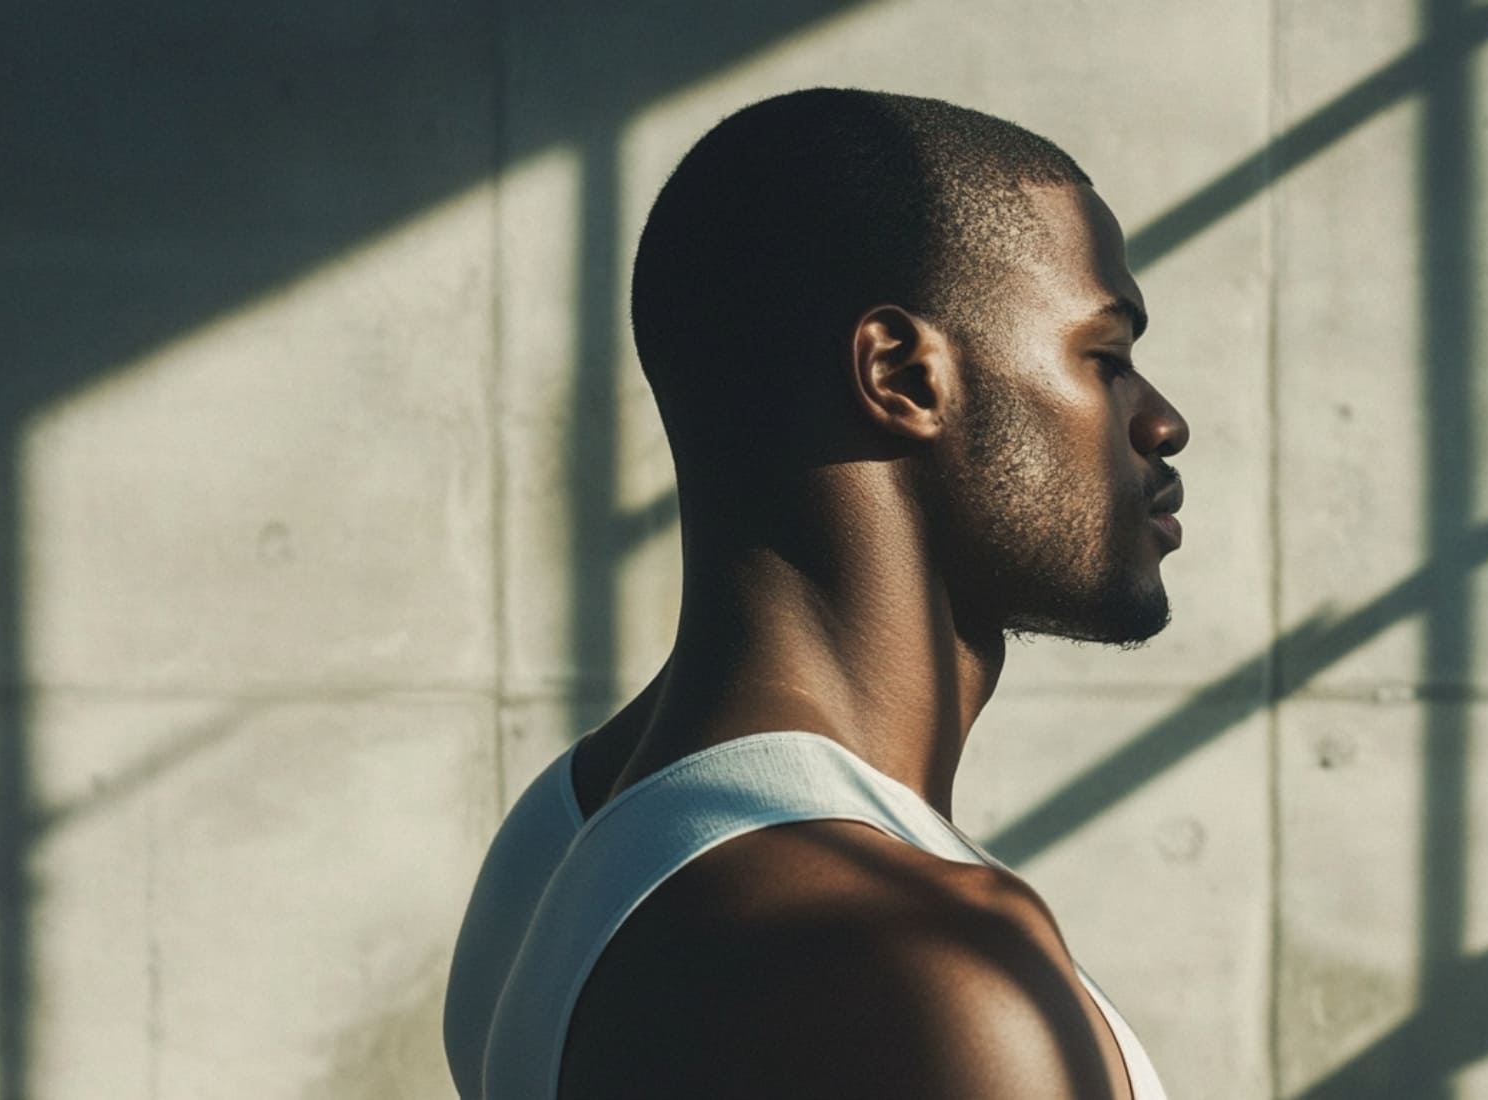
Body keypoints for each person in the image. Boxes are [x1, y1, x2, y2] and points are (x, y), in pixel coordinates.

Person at [444, 87, 1189, 1099]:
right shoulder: (914, 952)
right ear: (903, 376)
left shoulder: (556, 844)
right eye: (1104, 357)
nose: (1162, 422)